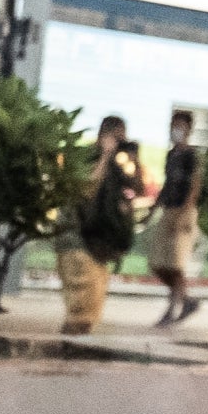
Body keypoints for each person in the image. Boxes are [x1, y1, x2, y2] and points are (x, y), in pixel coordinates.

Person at [55, 115, 142, 336]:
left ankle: (72, 355)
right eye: (116, 138)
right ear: (104, 135)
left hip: (97, 244)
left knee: (91, 312)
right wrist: (104, 156)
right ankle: (67, 353)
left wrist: (133, 160)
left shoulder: (118, 163)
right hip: (75, 239)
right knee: (80, 311)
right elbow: (85, 190)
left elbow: (136, 188)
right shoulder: (86, 156)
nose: (119, 143)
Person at [146, 110, 206, 327]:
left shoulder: (192, 155)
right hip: (168, 209)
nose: (176, 130)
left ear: (189, 129)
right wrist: (154, 208)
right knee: (157, 263)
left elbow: (194, 185)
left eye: (180, 126)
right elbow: (167, 184)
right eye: (174, 125)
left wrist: (183, 214)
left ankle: (172, 309)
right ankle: (187, 300)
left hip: (183, 212)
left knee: (175, 265)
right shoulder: (171, 154)